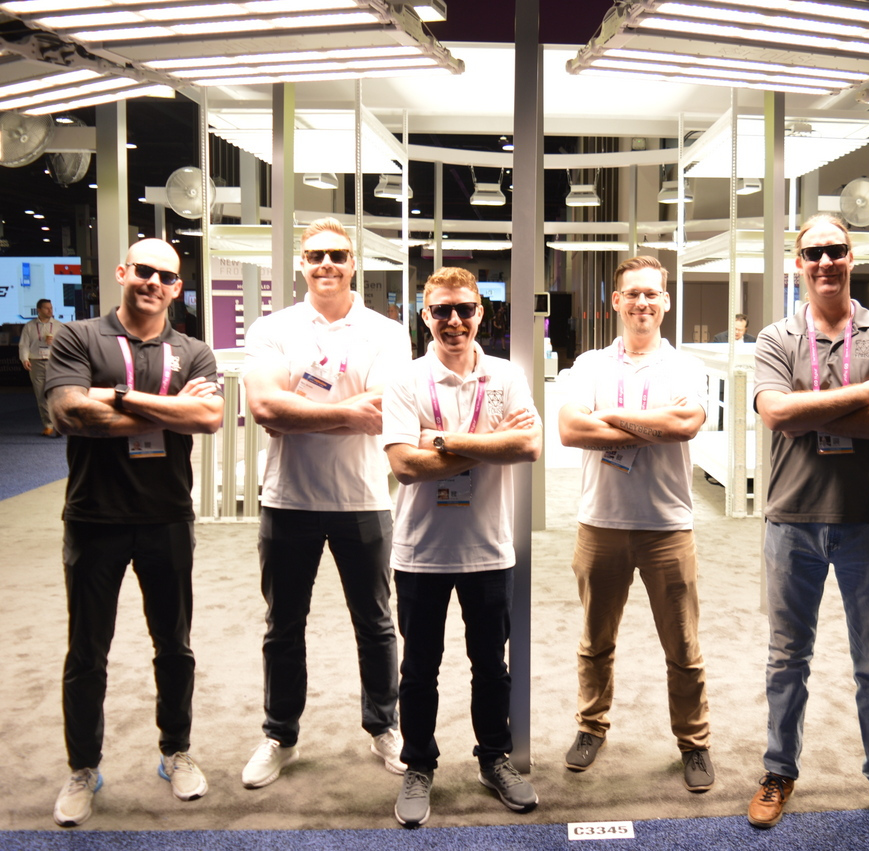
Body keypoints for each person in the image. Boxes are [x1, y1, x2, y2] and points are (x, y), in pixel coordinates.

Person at [747, 214, 869, 840]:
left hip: (866, 519)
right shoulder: (776, 336)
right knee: (786, 658)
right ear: (798, 263)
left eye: (836, 250)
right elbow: (777, 413)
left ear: (853, 257)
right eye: (813, 252)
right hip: (791, 519)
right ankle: (778, 770)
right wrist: (864, 392)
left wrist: (813, 410)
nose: (825, 261)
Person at [44, 239, 223, 826]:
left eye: (165, 276)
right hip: (93, 516)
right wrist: (168, 409)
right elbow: (69, 412)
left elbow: (209, 418)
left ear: (177, 288)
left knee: (174, 645)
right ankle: (82, 767)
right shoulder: (78, 338)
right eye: (143, 271)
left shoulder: (193, 351)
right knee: (87, 651)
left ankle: (176, 752)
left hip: (166, 516)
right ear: (122, 272)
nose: (153, 282)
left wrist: (116, 395)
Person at [240, 217, 411, 788]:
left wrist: (299, 415)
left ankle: (385, 726)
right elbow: (265, 407)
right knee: (283, 625)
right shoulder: (273, 328)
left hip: (363, 498)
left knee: (376, 623)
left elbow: (384, 411)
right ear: (302, 264)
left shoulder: (386, 332)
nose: (326, 264)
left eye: (337, 254)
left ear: (354, 262)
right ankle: (280, 735)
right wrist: (345, 413)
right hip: (287, 500)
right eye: (315, 256)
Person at [381, 267, 542, 827]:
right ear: (425, 315)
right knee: (419, 669)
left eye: (465, 309)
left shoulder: (506, 376)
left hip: (488, 549)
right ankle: (418, 766)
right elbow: (405, 466)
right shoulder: (406, 380)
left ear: (481, 313)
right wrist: (493, 443)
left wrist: (444, 440)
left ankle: (494, 759)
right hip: (420, 551)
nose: (454, 320)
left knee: (491, 667)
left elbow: (528, 447)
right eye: (442, 310)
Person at [558, 255, 715, 792]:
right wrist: (653, 427)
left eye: (652, 293)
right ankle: (590, 727)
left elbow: (686, 425)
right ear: (616, 302)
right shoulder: (589, 365)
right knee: (595, 641)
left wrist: (607, 418)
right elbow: (571, 431)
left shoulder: (685, 366)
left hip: (667, 526)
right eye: (633, 294)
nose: (642, 302)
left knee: (683, 646)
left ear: (665, 301)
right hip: (600, 523)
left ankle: (694, 742)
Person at [19, 297, 67, 436]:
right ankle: (48, 425)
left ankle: (59, 424)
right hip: (36, 362)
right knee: (41, 395)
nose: (50, 311)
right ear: (38, 310)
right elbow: (24, 344)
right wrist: (24, 359)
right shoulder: (29, 326)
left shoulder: (59, 326)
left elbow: (67, 344)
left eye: (51, 308)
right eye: (47, 308)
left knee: (56, 394)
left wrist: (55, 341)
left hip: (54, 362)